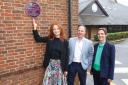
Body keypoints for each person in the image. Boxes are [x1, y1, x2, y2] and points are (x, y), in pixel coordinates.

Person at [32, 18, 68, 85]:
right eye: (54, 29)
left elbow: (66, 56)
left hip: (60, 66)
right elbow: (38, 39)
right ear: (52, 31)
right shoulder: (49, 39)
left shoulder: (65, 41)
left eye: (57, 29)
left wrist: (66, 69)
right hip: (50, 65)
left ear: (60, 30)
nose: (56, 30)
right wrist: (35, 27)